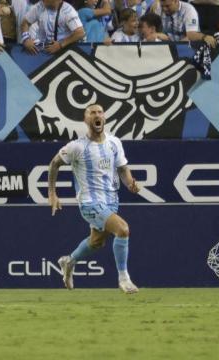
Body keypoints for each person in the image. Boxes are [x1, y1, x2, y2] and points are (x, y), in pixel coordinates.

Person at [47, 103, 141, 294]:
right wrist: (52, 193)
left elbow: (122, 169)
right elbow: (54, 163)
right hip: (89, 203)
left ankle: (69, 261)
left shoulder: (114, 143)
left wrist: (130, 182)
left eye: (100, 112)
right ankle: (124, 279)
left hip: (111, 201)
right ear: (86, 119)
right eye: (92, 113)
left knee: (97, 242)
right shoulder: (77, 147)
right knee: (123, 229)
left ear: (104, 118)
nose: (96, 115)